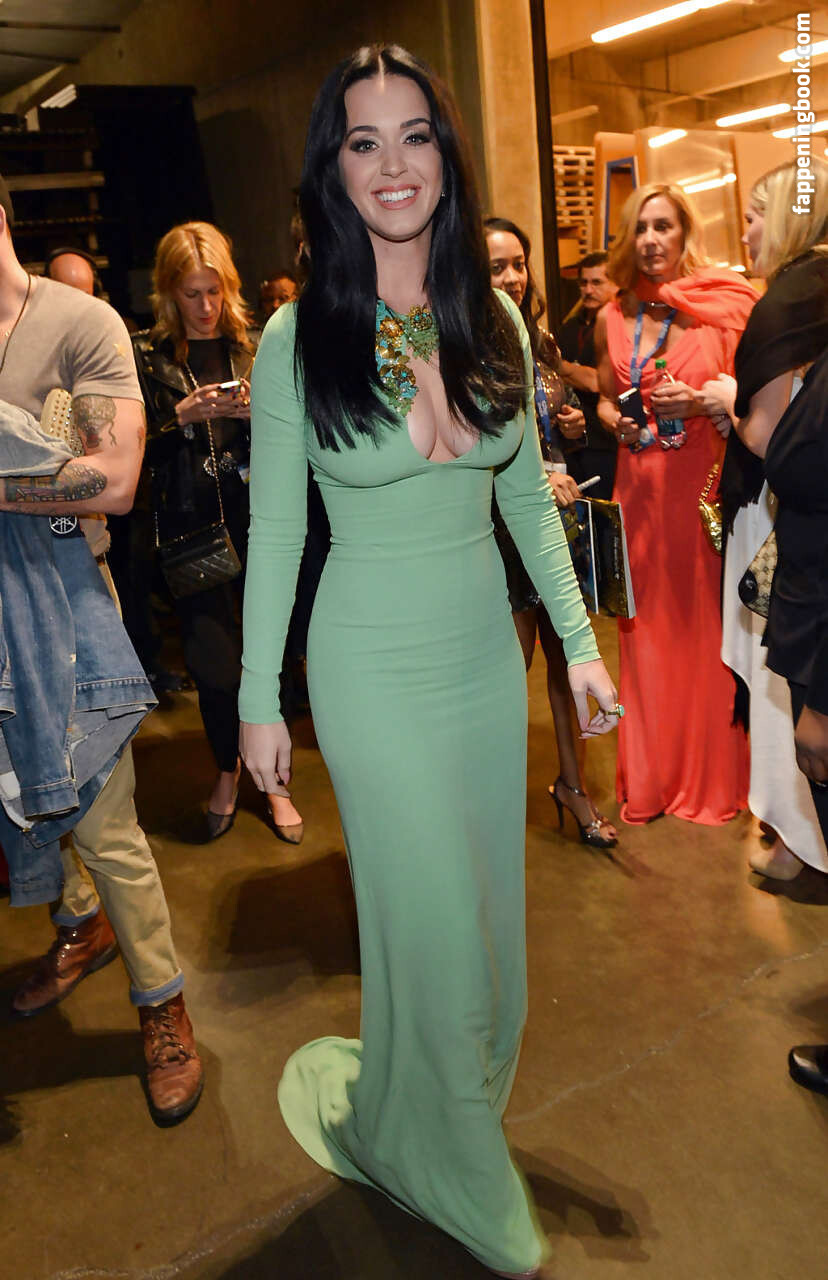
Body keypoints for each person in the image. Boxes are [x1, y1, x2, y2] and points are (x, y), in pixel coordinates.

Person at [239, 45, 619, 1278]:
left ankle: (424, 1108)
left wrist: (576, 644)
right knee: (441, 926)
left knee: (488, 929)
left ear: (446, 160)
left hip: (478, 665)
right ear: (334, 167)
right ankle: (461, 1175)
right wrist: (255, 701)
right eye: (364, 140)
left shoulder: (490, 316)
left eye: (415, 135)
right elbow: (278, 532)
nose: (393, 163)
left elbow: (526, 503)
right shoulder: (296, 337)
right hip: (368, 669)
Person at [0, 174, 202, 1124]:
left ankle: (163, 1003)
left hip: (68, 606)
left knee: (105, 819)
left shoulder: (79, 323)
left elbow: (113, 480)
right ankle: (81, 927)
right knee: (25, 794)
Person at [133, 222, 303, 843]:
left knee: (273, 661)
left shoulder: (257, 346)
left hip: (266, 527)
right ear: (168, 293)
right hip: (191, 532)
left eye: (213, 291)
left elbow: (304, 434)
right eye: (191, 294)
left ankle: (275, 783)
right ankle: (228, 771)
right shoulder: (146, 356)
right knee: (215, 672)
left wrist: (263, 413)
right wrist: (178, 416)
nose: (205, 307)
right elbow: (125, 455)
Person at [595, 182, 756, 825]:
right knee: (646, 639)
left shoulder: (719, 307)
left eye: (663, 226)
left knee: (704, 634)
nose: (651, 239)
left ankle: (712, 781)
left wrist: (700, 401)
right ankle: (653, 781)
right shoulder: (614, 313)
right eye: (640, 228)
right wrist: (612, 420)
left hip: (701, 492)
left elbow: (753, 399)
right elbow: (605, 393)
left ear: (685, 232)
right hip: (638, 495)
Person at [697, 159, 828, 880]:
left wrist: (728, 399)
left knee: (785, 691)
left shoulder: (787, 300)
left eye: (752, 215)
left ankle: (800, 843)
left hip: (788, 530)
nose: (744, 231)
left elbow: (769, 437)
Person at [485, 216, 617, 847]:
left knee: (569, 660)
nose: (513, 276)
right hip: (496, 528)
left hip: (555, 521)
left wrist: (570, 428)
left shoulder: (537, 339)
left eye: (519, 263)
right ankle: (484, 804)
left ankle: (574, 786)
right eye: (497, 267)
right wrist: (537, 472)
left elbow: (549, 426)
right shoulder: (464, 345)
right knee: (507, 673)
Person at [557, 251, 618, 500]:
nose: (588, 290)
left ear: (615, 283)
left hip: (607, 442)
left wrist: (560, 366)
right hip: (573, 444)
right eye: (583, 283)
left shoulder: (621, 326)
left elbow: (598, 382)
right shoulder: (569, 327)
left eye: (597, 282)